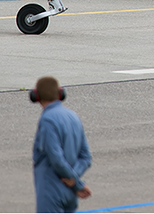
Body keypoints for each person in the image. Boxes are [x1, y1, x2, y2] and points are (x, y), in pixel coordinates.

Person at [31, 76, 92, 213]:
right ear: (60, 94)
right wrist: (75, 181)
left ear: (36, 96)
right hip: (70, 193)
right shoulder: (73, 116)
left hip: (51, 189)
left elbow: (56, 158)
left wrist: (74, 180)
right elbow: (86, 157)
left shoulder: (47, 120)